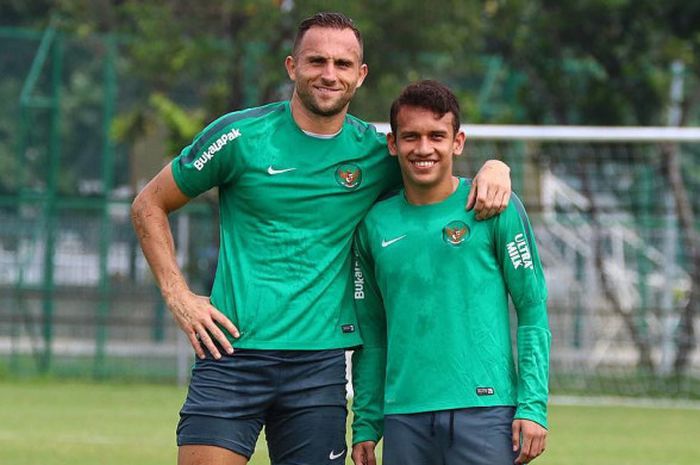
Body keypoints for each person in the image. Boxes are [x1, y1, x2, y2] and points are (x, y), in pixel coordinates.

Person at [131, 12, 512, 465]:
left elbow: (437, 171)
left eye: (342, 64)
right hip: (230, 351)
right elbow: (148, 205)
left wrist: (495, 168)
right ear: (292, 67)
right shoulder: (239, 137)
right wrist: (178, 296)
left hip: (320, 365)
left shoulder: (376, 153)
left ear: (360, 75)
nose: (329, 74)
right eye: (317, 61)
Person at [351, 80, 550, 465]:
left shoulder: (495, 207)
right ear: (393, 144)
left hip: (487, 410)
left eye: (436, 136)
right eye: (411, 137)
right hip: (403, 415)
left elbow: (532, 309)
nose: (424, 148)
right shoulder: (373, 225)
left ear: (457, 142)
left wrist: (533, 406)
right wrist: (366, 422)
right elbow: (371, 333)